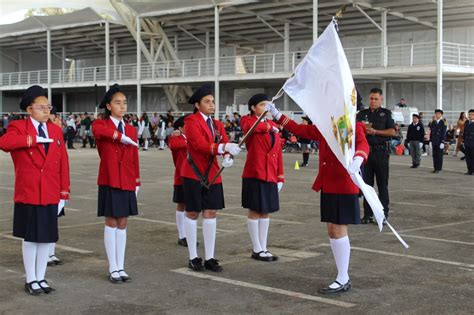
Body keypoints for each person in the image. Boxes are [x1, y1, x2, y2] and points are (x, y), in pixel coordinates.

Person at [266, 101, 369, 294]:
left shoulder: (352, 125)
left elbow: (362, 144)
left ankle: (343, 276)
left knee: (339, 229)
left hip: (343, 183)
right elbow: (300, 129)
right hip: (328, 182)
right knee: (332, 230)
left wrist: (359, 157)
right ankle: (342, 274)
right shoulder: (326, 126)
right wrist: (277, 115)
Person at [0, 85, 70, 295]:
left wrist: (63, 193)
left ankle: (42, 278)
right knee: (31, 237)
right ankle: (31, 279)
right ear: (29, 110)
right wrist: (33, 140)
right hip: (29, 191)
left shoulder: (56, 130)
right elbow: (5, 143)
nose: (46, 110)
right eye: (41, 107)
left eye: (48, 106)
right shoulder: (18, 127)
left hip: (50, 191)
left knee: (47, 237)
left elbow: (63, 163)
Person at [181, 85, 241, 272]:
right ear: (198, 105)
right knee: (192, 213)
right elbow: (199, 145)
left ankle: (210, 257)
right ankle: (193, 256)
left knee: (211, 213)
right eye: (207, 101)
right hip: (193, 174)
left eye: (213, 101)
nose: (211, 104)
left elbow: (224, 143)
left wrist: (228, 156)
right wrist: (224, 148)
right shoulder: (191, 121)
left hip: (213, 175)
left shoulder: (217, 124)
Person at [92, 84, 140, 283]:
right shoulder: (101, 125)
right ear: (109, 106)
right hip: (110, 178)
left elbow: (134, 156)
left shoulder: (131, 129)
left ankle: (121, 266)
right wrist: (121, 137)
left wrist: (137, 181)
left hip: (127, 179)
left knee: (123, 222)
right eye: (117, 103)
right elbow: (98, 131)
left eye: (125, 103)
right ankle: (112, 267)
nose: (122, 106)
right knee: (111, 221)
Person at [241, 94, 284, 262]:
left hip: (270, 173)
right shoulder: (247, 120)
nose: (266, 108)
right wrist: (268, 128)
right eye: (262, 105)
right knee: (255, 210)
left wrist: (280, 176)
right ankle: (256, 248)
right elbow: (251, 128)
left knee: (266, 211)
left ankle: (264, 247)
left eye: (268, 105)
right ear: (253, 108)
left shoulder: (273, 125)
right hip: (255, 172)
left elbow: (277, 153)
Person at [356, 88, 395, 223]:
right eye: (371, 98)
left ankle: (383, 214)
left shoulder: (386, 114)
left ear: (381, 99)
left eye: (376, 99)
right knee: (367, 185)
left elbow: (392, 132)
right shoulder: (362, 114)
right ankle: (368, 214)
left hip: (381, 152)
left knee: (382, 185)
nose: (373, 101)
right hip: (366, 153)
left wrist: (375, 131)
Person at [168, 115, 189, 246]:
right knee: (182, 205)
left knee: (190, 206)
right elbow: (174, 145)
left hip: (195, 177)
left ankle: (188, 233)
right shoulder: (176, 138)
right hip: (181, 176)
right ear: (181, 128)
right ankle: (182, 235)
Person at [429, 109, 447, 173]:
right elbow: (432, 132)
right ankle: (435, 168)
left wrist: (442, 141)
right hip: (434, 141)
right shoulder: (433, 122)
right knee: (434, 155)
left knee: (439, 156)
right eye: (436, 114)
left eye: (439, 114)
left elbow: (443, 132)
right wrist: (430, 141)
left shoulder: (443, 122)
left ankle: (439, 169)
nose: (437, 115)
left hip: (440, 142)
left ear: (441, 115)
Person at [461, 109, 474, 175]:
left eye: (472, 114)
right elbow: (464, 132)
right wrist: (463, 141)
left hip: (473, 142)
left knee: (473, 157)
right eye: (469, 114)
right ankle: (469, 170)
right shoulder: (466, 122)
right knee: (468, 157)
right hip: (467, 142)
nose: (470, 116)